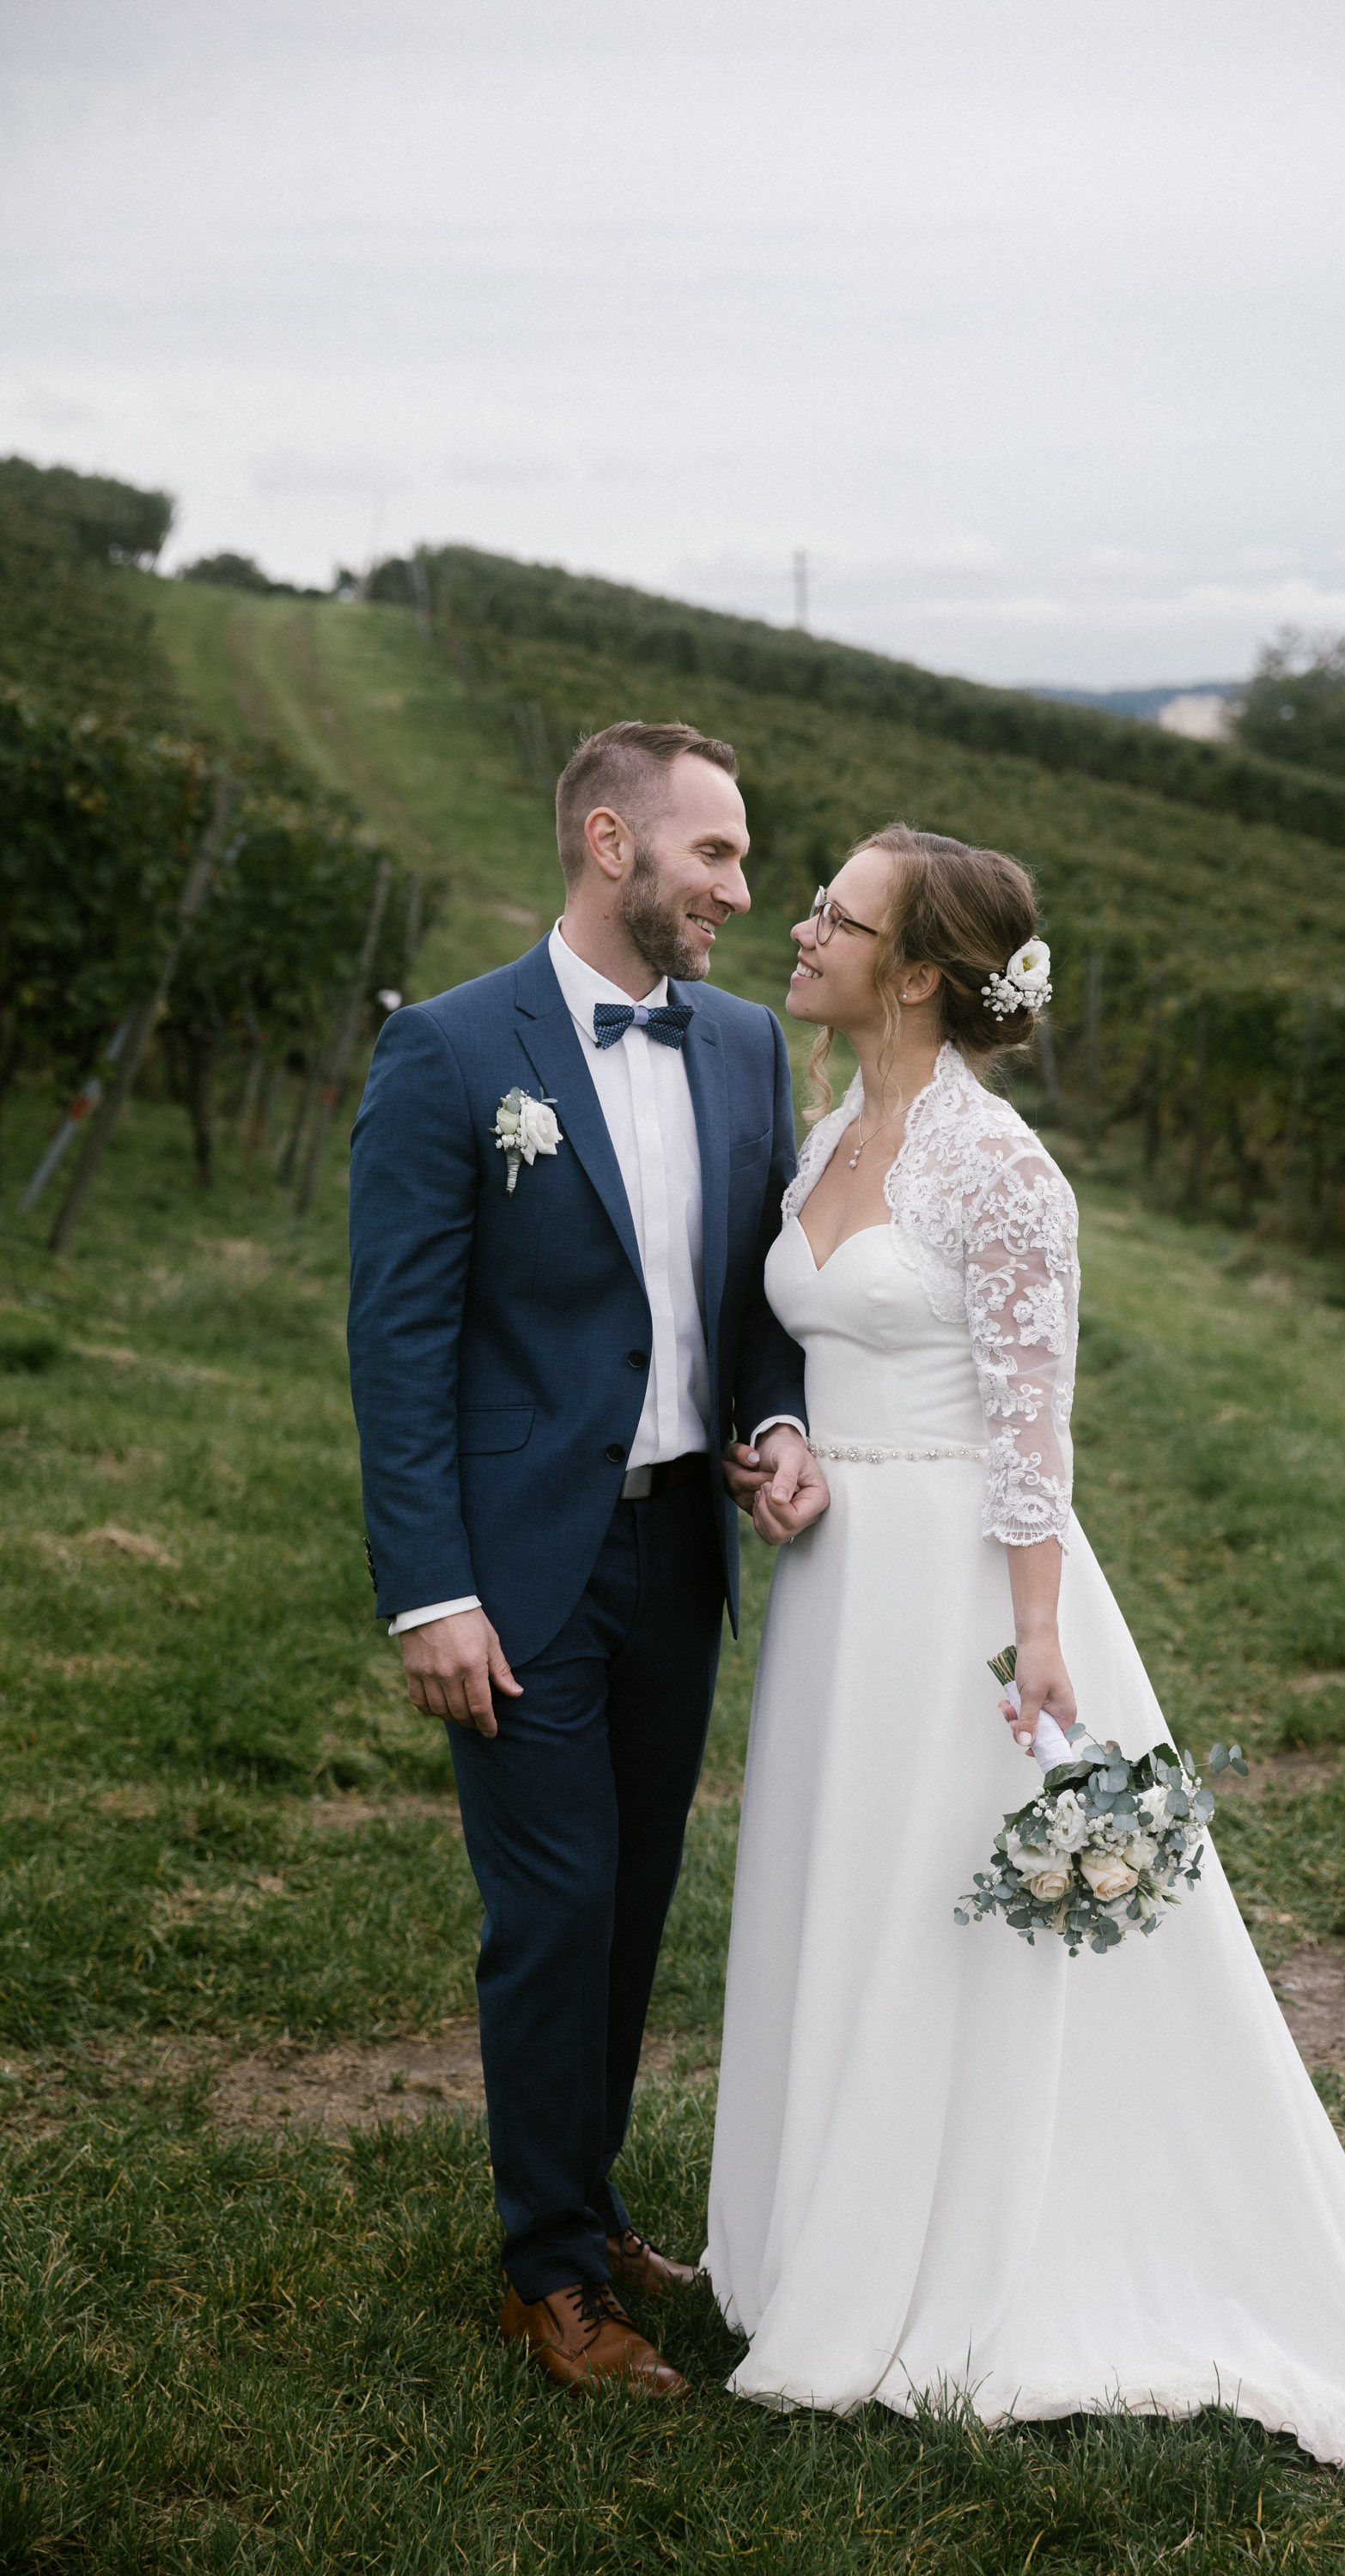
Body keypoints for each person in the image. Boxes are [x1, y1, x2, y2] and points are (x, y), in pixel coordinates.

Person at [705, 823, 1345, 2468]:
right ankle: (820, 2224)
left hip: (962, 1597)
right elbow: (820, 1354)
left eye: (839, 914)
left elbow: (1035, 1428)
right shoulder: (826, 1141)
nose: (800, 929)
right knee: (841, 1887)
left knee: (951, 1916)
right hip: (834, 1591)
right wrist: (785, 1447)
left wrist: (1034, 1641)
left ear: (925, 973)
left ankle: (977, 2249)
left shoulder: (1002, 1171)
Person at [347, 720, 826, 2401]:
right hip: (521, 1570)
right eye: (717, 854)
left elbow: (758, 1303)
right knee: (550, 1914)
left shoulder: (754, 1049)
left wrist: (774, 1428)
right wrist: (431, 1589)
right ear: (611, 844)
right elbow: (399, 1346)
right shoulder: (451, 1053)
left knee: (628, 1914)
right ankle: (546, 2276)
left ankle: (588, 2200)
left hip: (678, 1558)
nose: (744, 892)